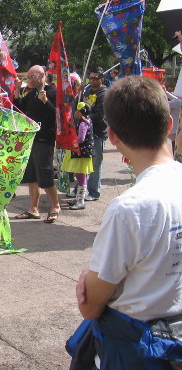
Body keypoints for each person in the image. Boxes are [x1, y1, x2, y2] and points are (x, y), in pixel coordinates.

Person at [72, 76, 182, 368]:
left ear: (113, 137)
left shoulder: (130, 208)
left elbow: (90, 305)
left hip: (136, 351)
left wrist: (86, 278)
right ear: (169, 124)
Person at [13, 65, 60, 223]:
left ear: (42, 75)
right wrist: (17, 91)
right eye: (28, 77)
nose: (30, 80)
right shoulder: (31, 93)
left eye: (32, 76)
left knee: (45, 174)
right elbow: (19, 109)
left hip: (44, 138)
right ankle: (34, 208)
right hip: (30, 138)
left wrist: (46, 101)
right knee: (32, 175)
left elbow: (57, 115)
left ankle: (55, 205)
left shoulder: (52, 91)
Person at [61, 102, 94, 210]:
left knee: (80, 176)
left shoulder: (83, 123)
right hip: (81, 153)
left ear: (81, 113)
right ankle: (79, 198)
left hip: (82, 153)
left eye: (77, 111)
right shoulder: (84, 121)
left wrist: (71, 139)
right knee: (80, 175)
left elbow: (81, 139)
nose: (75, 112)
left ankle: (80, 201)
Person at [83, 69, 108, 201]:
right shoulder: (87, 91)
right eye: (90, 78)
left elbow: (99, 115)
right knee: (84, 161)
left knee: (95, 162)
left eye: (95, 78)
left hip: (98, 132)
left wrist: (84, 118)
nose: (92, 81)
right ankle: (80, 187)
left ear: (101, 80)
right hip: (86, 131)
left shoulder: (104, 93)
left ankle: (93, 192)